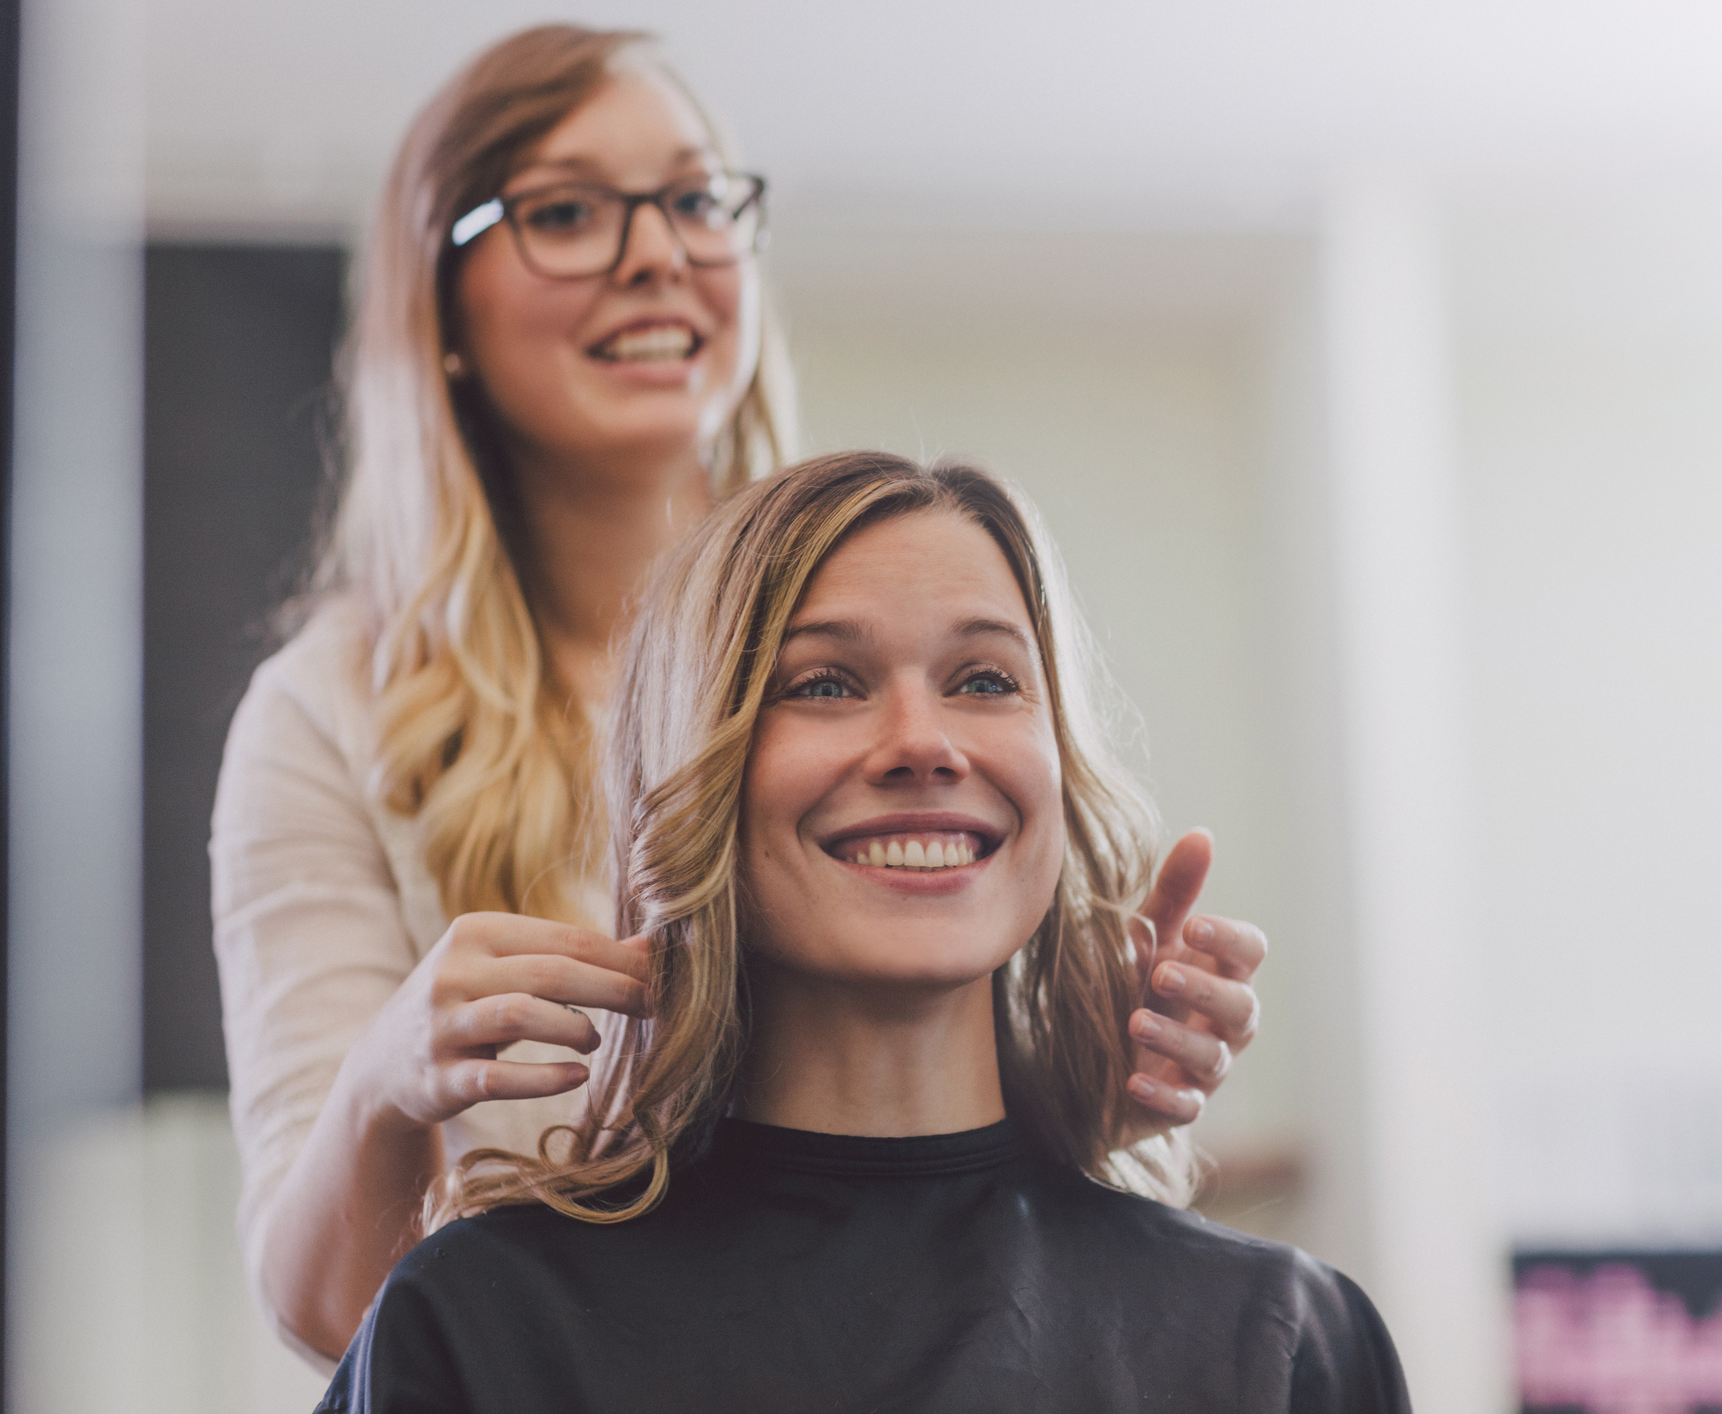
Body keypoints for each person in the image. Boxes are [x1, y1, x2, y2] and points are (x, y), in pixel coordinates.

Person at [213, 25, 1270, 1367]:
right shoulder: (329, 716)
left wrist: (1076, 1076)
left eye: (696, 199)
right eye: (568, 212)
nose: (656, 253)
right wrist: (383, 1085)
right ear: (443, 304)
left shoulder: (906, 641)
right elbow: (334, 1318)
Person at [314, 453, 1407, 1413]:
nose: (922, 743)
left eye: (986, 679)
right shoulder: (485, 1330)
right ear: (693, 776)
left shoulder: (1283, 1344)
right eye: (825, 683)